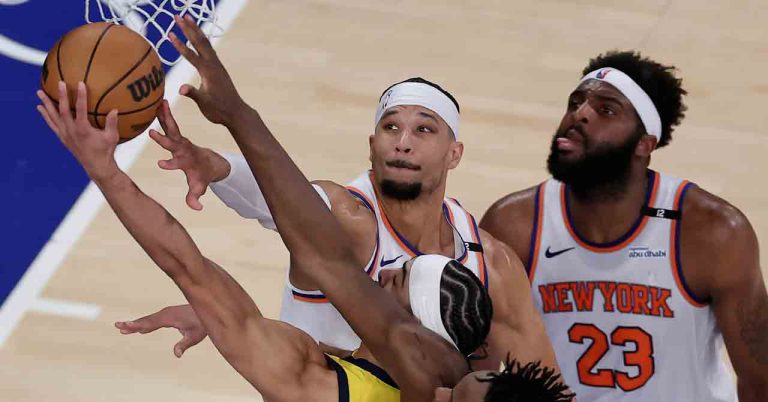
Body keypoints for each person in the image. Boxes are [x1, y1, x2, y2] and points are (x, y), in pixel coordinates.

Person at [35, 17, 581, 402]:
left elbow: (193, 263)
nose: (444, 391)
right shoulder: (444, 373)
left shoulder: (310, 387)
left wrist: (104, 168)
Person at [117, 35, 556, 378]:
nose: (403, 141)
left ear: (454, 154)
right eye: (391, 127)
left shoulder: (490, 263)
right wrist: (216, 166)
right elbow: (286, 200)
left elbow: (546, 387)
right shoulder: (349, 221)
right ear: (372, 146)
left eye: (424, 129)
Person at [480, 50, 768, 402]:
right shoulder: (514, 225)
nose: (579, 114)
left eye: (606, 109)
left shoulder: (711, 233)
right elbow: (475, 364)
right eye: (576, 102)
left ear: (644, 144)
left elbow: (760, 376)